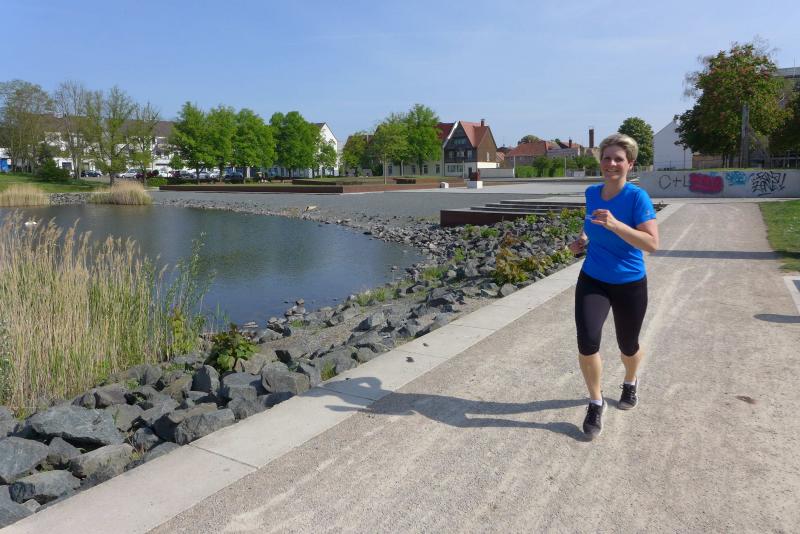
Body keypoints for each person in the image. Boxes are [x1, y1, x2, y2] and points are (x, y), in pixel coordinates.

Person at [567, 133, 659, 440]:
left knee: (628, 345)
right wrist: (581, 241)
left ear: (630, 164)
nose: (611, 164)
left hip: (629, 282)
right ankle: (596, 402)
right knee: (587, 341)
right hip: (593, 278)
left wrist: (616, 224)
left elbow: (652, 244)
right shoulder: (592, 193)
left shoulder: (637, 198)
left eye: (619, 159)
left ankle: (630, 381)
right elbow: (590, 226)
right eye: (607, 158)